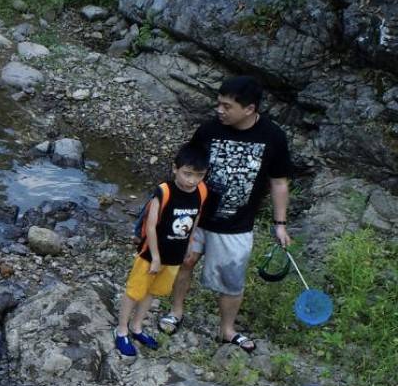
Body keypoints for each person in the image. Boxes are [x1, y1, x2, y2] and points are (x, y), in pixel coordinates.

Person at [162, 76, 293, 353]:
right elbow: (187, 165)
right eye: (218, 103)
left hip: (236, 223)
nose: (219, 110)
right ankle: (176, 312)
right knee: (185, 262)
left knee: (232, 279)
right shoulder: (208, 130)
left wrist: (280, 224)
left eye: (226, 106)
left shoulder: (273, 136)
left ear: (249, 109)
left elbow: (279, 182)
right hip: (196, 214)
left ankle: (227, 329)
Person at [115, 144, 211, 357]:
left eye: (199, 175)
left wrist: (189, 245)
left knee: (153, 292)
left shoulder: (201, 191)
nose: (192, 180)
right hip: (151, 254)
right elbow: (150, 226)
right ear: (175, 169)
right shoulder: (164, 191)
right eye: (187, 174)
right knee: (134, 291)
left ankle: (137, 327)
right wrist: (156, 257)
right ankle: (121, 329)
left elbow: (195, 220)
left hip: (175, 256)